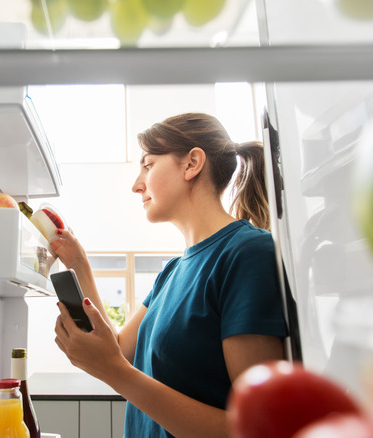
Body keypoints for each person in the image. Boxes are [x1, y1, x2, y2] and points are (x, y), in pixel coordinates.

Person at [51, 113, 289, 438]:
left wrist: (113, 372)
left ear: (192, 163)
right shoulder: (171, 272)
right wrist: (79, 265)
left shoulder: (247, 253)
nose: (136, 184)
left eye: (147, 165)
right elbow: (120, 349)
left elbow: (259, 430)